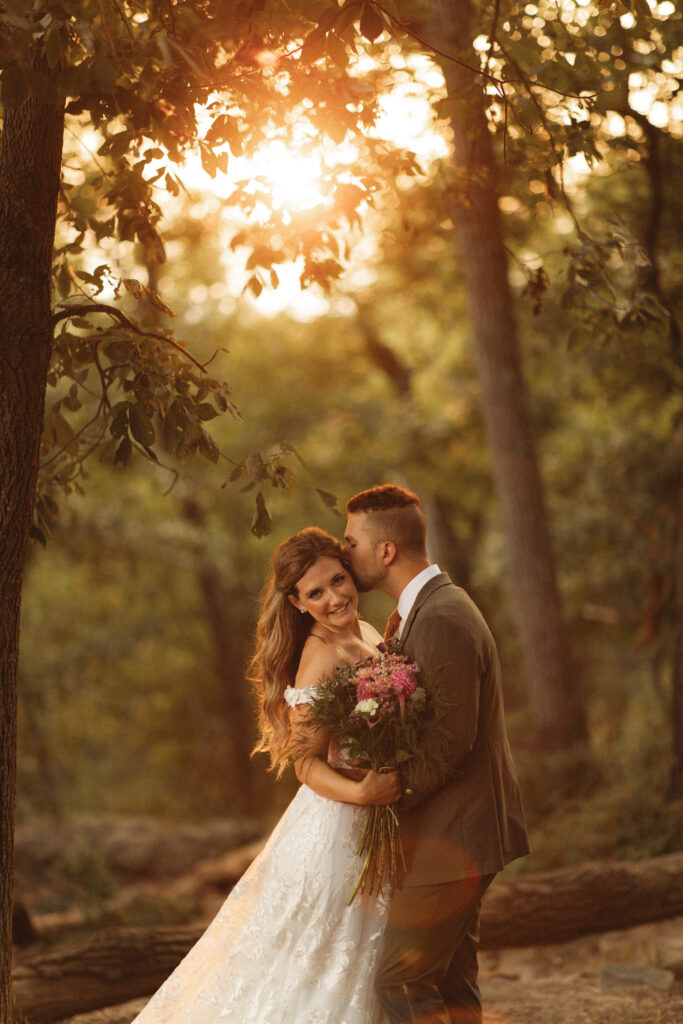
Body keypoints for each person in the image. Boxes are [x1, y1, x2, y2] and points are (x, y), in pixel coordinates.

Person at [129, 527, 400, 1024]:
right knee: (313, 964)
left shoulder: (366, 632)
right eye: (316, 593)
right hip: (338, 825)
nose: (335, 597)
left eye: (338, 580)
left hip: (379, 816)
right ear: (297, 603)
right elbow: (306, 764)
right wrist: (363, 792)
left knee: (366, 960)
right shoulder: (319, 658)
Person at [344, 485, 529, 1024]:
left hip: (458, 830)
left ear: (386, 552)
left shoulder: (443, 615)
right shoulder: (419, 611)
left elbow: (451, 741)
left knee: (399, 980)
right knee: (450, 980)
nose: (344, 551)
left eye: (351, 541)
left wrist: (385, 792)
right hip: (453, 831)